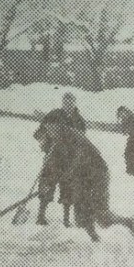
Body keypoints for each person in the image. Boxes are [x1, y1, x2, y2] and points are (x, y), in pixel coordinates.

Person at [34, 120, 134, 242]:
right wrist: (47, 184)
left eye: (42, 141)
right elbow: (49, 170)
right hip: (81, 177)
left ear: (49, 134)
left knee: (102, 217)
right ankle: (95, 239)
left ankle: (129, 222)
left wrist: (65, 174)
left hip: (97, 174)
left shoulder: (69, 136)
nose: (41, 146)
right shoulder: (53, 145)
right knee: (81, 217)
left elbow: (78, 157)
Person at [37, 92, 87, 226]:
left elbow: (82, 142)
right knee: (47, 185)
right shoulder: (54, 115)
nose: (68, 105)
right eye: (65, 103)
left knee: (69, 189)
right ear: (62, 103)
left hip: (69, 161)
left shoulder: (80, 121)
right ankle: (40, 215)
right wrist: (45, 143)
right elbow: (39, 132)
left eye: (70, 103)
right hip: (53, 158)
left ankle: (66, 219)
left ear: (74, 104)